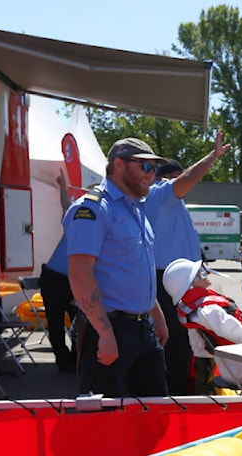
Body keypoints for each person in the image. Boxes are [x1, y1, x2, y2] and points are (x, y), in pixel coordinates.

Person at [64, 137, 169, 397]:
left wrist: (156, 314)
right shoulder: (93, 209)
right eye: (145, 166)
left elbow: (134, 269)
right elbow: (79, 275)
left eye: (154, 168)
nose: (152, 175)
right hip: (112, 330)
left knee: (154, 417)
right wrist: (105, 333)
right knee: (107, 423)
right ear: (119, 164)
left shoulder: (135, 209)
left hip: (143, 329)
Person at [143, 133, 231, 395]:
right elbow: (185, 180)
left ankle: (179, 385)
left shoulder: (168, 202)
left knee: (184, 335)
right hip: (169, 280)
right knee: (177, 338)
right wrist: (213, 157)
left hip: (174, 277)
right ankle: (176, 390)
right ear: (169, 178)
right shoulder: (161, 194)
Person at [161, 258, 242, 393]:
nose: (205, 273)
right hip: (241, 369)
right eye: (199, 274)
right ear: (190, 285)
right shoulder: (209, 311)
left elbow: (199, 350)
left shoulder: (189, 310)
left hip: (232, 366)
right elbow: (240, 334)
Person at [40, 170, 77, 373]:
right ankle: (64, 361)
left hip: (71, 278)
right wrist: (63, 188)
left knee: (78, 319)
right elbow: (66, 206)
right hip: (55, 277)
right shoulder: (77, 219)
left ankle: (75, 357)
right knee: (55, 321)